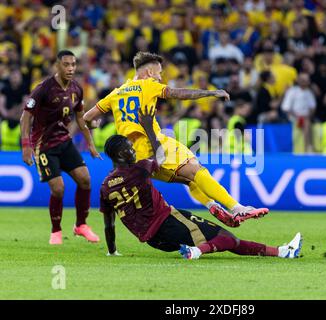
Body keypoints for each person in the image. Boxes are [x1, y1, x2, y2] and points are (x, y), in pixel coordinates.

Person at [83, 51, 268, 225]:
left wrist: (94, 126)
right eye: (159, 73)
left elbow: (87, 118)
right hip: (154, 144)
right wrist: (210, 93)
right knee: (197, 171)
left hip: (135, 158)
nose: (160, 78)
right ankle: (237, 208)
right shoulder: (148, 85)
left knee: (188, 179)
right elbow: (179, 94)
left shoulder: (115, 93)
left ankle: (212, 206)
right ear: (149, 72)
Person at [99, 106, 303, 260]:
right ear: (119, 154)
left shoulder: (106, 186)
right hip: (167, 222)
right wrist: (149, 130)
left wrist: (112, 251)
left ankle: (283, 251)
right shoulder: (140, 168)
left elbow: (109, 223)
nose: (134, 150)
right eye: (129, 147)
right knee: (227, 239)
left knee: (226, 236)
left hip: (153, 240)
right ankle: (197, 250)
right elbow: (160, 157)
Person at [20, 50, 101, 245]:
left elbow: (80, 118)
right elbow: (26, 116)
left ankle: (81, 225)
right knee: (58, 189)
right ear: (57, 66)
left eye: (73, 64)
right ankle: (56, 231)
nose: (71, 68)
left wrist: (90, 143)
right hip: (44, 145)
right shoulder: (43, 89)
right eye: (66, 64)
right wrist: (26, 145)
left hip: (64, 141)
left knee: (85, 180)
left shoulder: (76, 89)